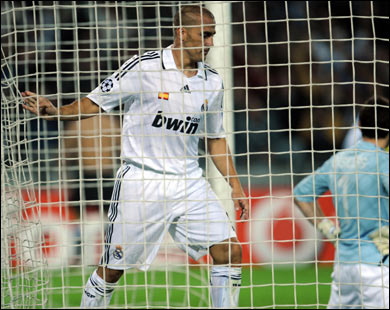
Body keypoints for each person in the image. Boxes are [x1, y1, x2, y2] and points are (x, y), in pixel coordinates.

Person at [22, 5, 249, 309]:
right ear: (181, 33)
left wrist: (234, 185)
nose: (210, 43)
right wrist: (56, 112)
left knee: (229, 252)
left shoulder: (212, 81)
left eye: (212, 36)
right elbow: (95, 102)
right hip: (143, 182)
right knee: (113, 268)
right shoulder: (144, 67)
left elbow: (215, 137)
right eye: (204, 35)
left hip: (190, 182)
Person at [294, 96, 389, 309]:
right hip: (377, 265)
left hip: (344, 265)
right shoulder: (383, 162)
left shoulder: (338, 159)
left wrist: (328, 229)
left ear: (360, 126)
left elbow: (301, 195)